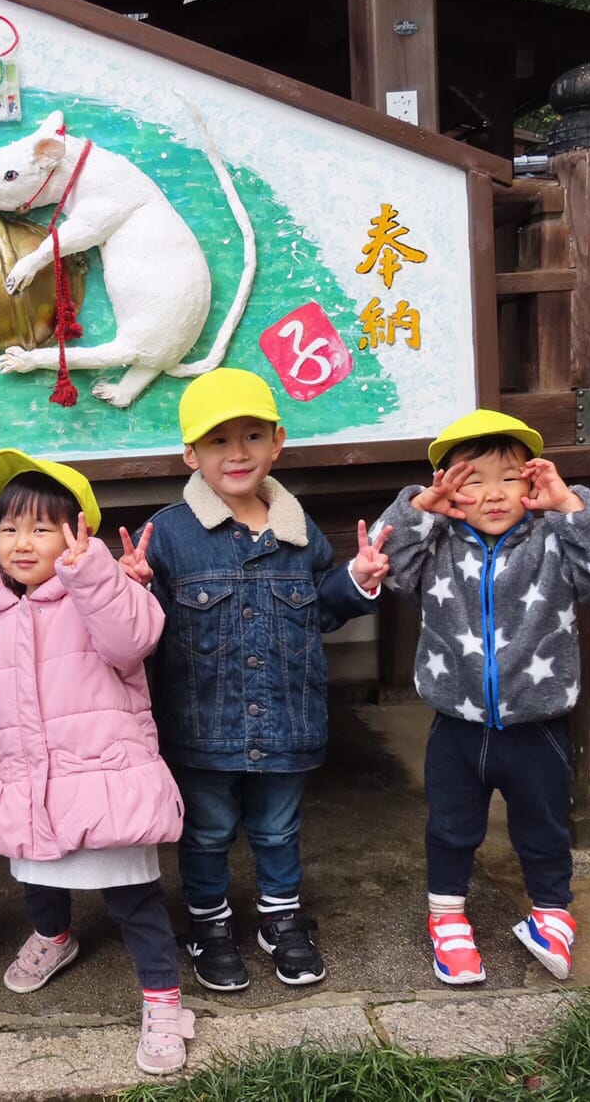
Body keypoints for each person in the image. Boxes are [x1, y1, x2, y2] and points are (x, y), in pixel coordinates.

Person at [137, 368, 392, 993]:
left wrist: (357, 578)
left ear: (277, 442)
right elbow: (140, 634)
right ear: (191, 454)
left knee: (279, 827)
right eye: (218, 441)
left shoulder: (298, 534)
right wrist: (132, 589)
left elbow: (323, 609)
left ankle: (280, 917)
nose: (237, 453)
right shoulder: (168, 534)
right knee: (207, 830)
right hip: (202, 723)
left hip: (287, 718)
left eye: (252, 435)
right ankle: (209, 922)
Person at [372, 408, 590, 984]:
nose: (493, 494)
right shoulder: (437, 545)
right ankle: (447, 920)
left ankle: (552, 916)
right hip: (456, 726)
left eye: (511, 478)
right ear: (448, 490)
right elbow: (383, 567)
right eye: (472, 481)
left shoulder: (556, 543)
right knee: (450, 827)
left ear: (535, 480)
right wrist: (419, 511)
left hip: (538, 727)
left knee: (543, 829)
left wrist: (570, 504)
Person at [0, 449, 195, 1076]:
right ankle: (54, 937)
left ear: (79, 532)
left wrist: (93, 574)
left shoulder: (106, 592)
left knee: (134, 899)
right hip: (32, 786)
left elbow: (134, 641)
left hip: (106, 780)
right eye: (9, 528)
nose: (22, 541)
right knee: (37, 878)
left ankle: (164, 1001)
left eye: (42, 527)